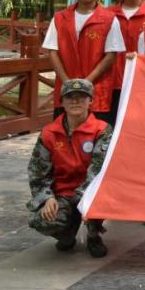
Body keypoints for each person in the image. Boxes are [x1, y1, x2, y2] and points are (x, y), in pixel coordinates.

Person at [27, 79, 111, 257]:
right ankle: (66, 236)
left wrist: (83, 200)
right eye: (70, 97)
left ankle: (93, 235)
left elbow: (99, 170)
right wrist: (47, 198)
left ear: (91, 101)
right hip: (62, 192)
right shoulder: (49, 133)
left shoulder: (102, 130)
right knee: (42, 220)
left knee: (94, 203)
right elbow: (37, 171)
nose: (75, 102)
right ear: (62, 102)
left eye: (81, 97)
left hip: (92, 192)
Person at [44, 0, 126, 123]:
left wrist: (87, 82)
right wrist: (67, 82)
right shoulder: (60, 18)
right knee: (63, 131)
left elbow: (111, 55)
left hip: (96, 89)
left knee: (97, 133)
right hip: (66, 88)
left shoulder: (109, 19)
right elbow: (52, 52)